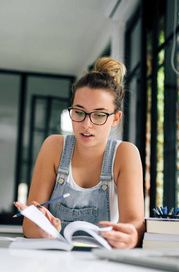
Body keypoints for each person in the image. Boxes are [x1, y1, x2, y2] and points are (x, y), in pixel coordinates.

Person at [14, 57, 144, 249]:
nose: (86, 124)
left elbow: (134, 223)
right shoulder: (53, 147)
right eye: (79, 112)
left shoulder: (125, 154)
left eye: (99, 115)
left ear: (115, 118)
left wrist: (132, 236)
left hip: (102, 267)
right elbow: (29, 226)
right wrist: (43, 229)